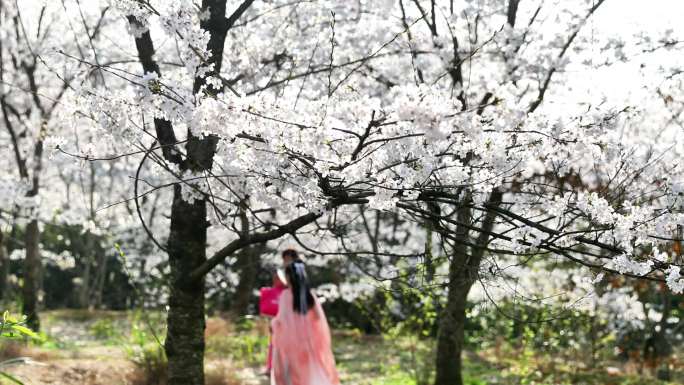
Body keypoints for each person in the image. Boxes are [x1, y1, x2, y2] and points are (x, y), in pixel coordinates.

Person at [271, 258, 340, 385]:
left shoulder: (286, 295)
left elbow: (281, 320)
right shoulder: (310, 295)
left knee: (294, 375)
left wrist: (273, 324)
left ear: (289, 277)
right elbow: (319, 318)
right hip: (309, 343)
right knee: (311, 373)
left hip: (291, 343)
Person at [262, 249, 299, 374]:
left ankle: (286, 367)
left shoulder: (297, 272)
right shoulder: (282, 273)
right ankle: (272, 366)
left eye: (289, 258)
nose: (286, 261)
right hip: (278, 314)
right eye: (285, 258)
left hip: (291, 316)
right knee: (274, 343)